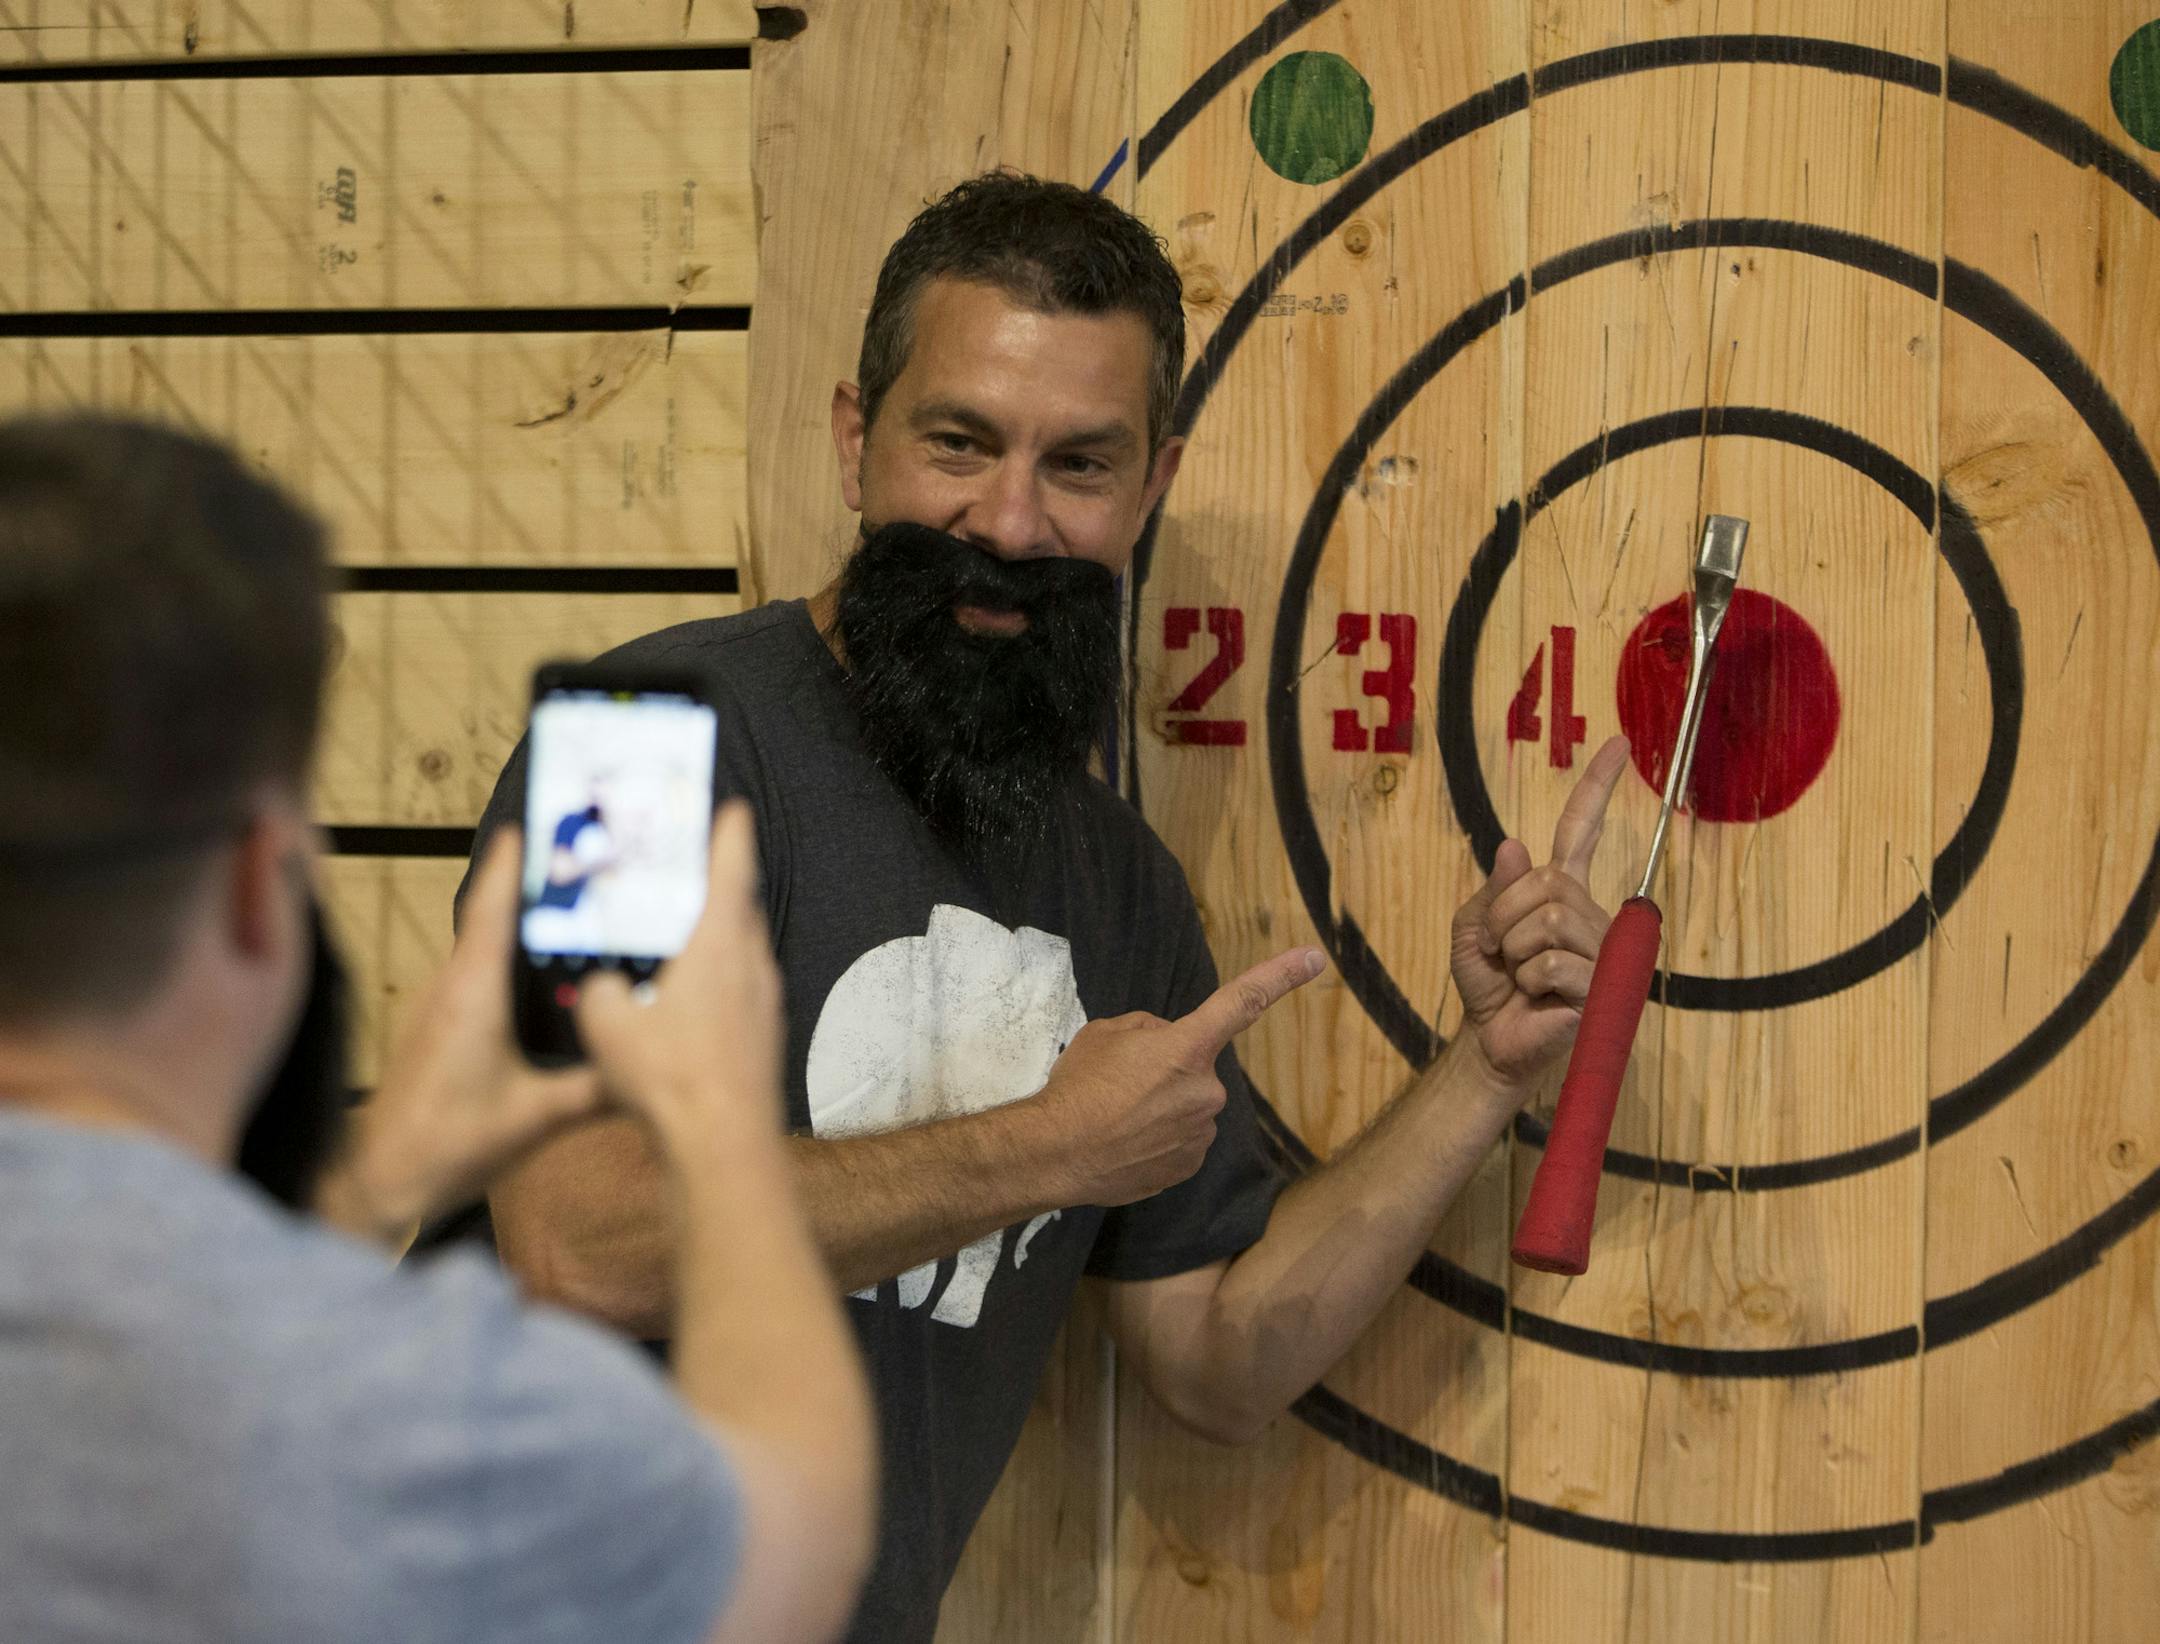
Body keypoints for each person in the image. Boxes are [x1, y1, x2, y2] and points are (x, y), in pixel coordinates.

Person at [467, 172, 1629, 1643]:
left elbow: (1216, 1357)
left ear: (1152, 485)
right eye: (958, 441)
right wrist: (1049, 1148)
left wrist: (1488, 1070)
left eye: (1081, 466)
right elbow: (578, 1247)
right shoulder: (639, 741)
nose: (1008, 523)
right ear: (853, 439)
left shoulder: (1120, 888)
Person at [0, 414, 876, 1644]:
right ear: (263, 890)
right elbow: (787, 1550)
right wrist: (719, 1121)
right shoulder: (433, 1418)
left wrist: (380, 1175)